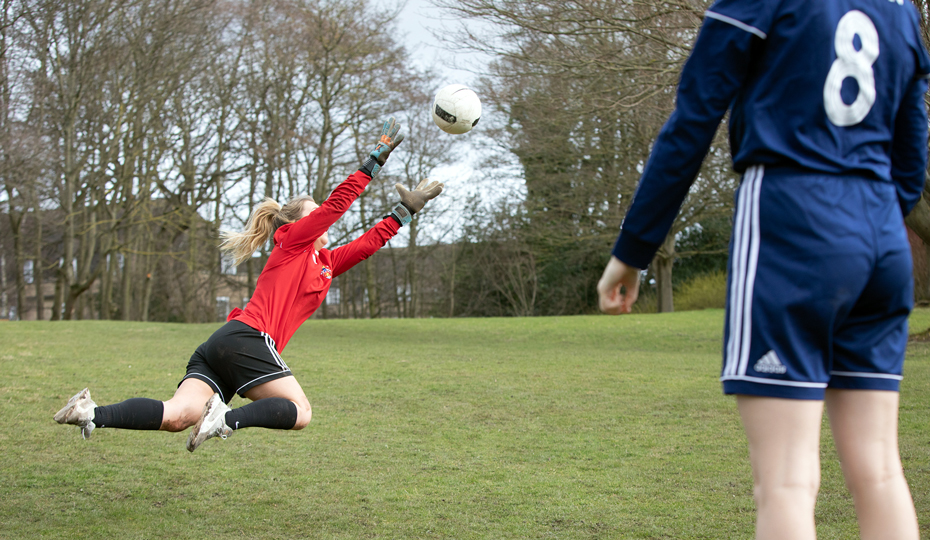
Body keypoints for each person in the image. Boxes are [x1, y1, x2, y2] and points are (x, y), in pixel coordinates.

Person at [596, 1, 928, 538]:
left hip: (793, 219)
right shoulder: (899, 10)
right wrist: (875, 217)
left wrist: (633, 250)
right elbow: (911, 155)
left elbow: (693, 120)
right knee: (882, 472)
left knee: (786, 484)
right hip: (882, 234)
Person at [54, 117, 444, 452]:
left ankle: (91, 412)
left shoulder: (324, 262)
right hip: (249, 339)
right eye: (314, 215)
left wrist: (405, 211)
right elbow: (334, 208)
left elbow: (364, 247)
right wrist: (374, 160)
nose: (321, 220)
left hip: (224, 343)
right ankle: (226, 420)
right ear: (295, 224)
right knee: (301, 413)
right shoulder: (291, 241)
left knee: (177, 416)